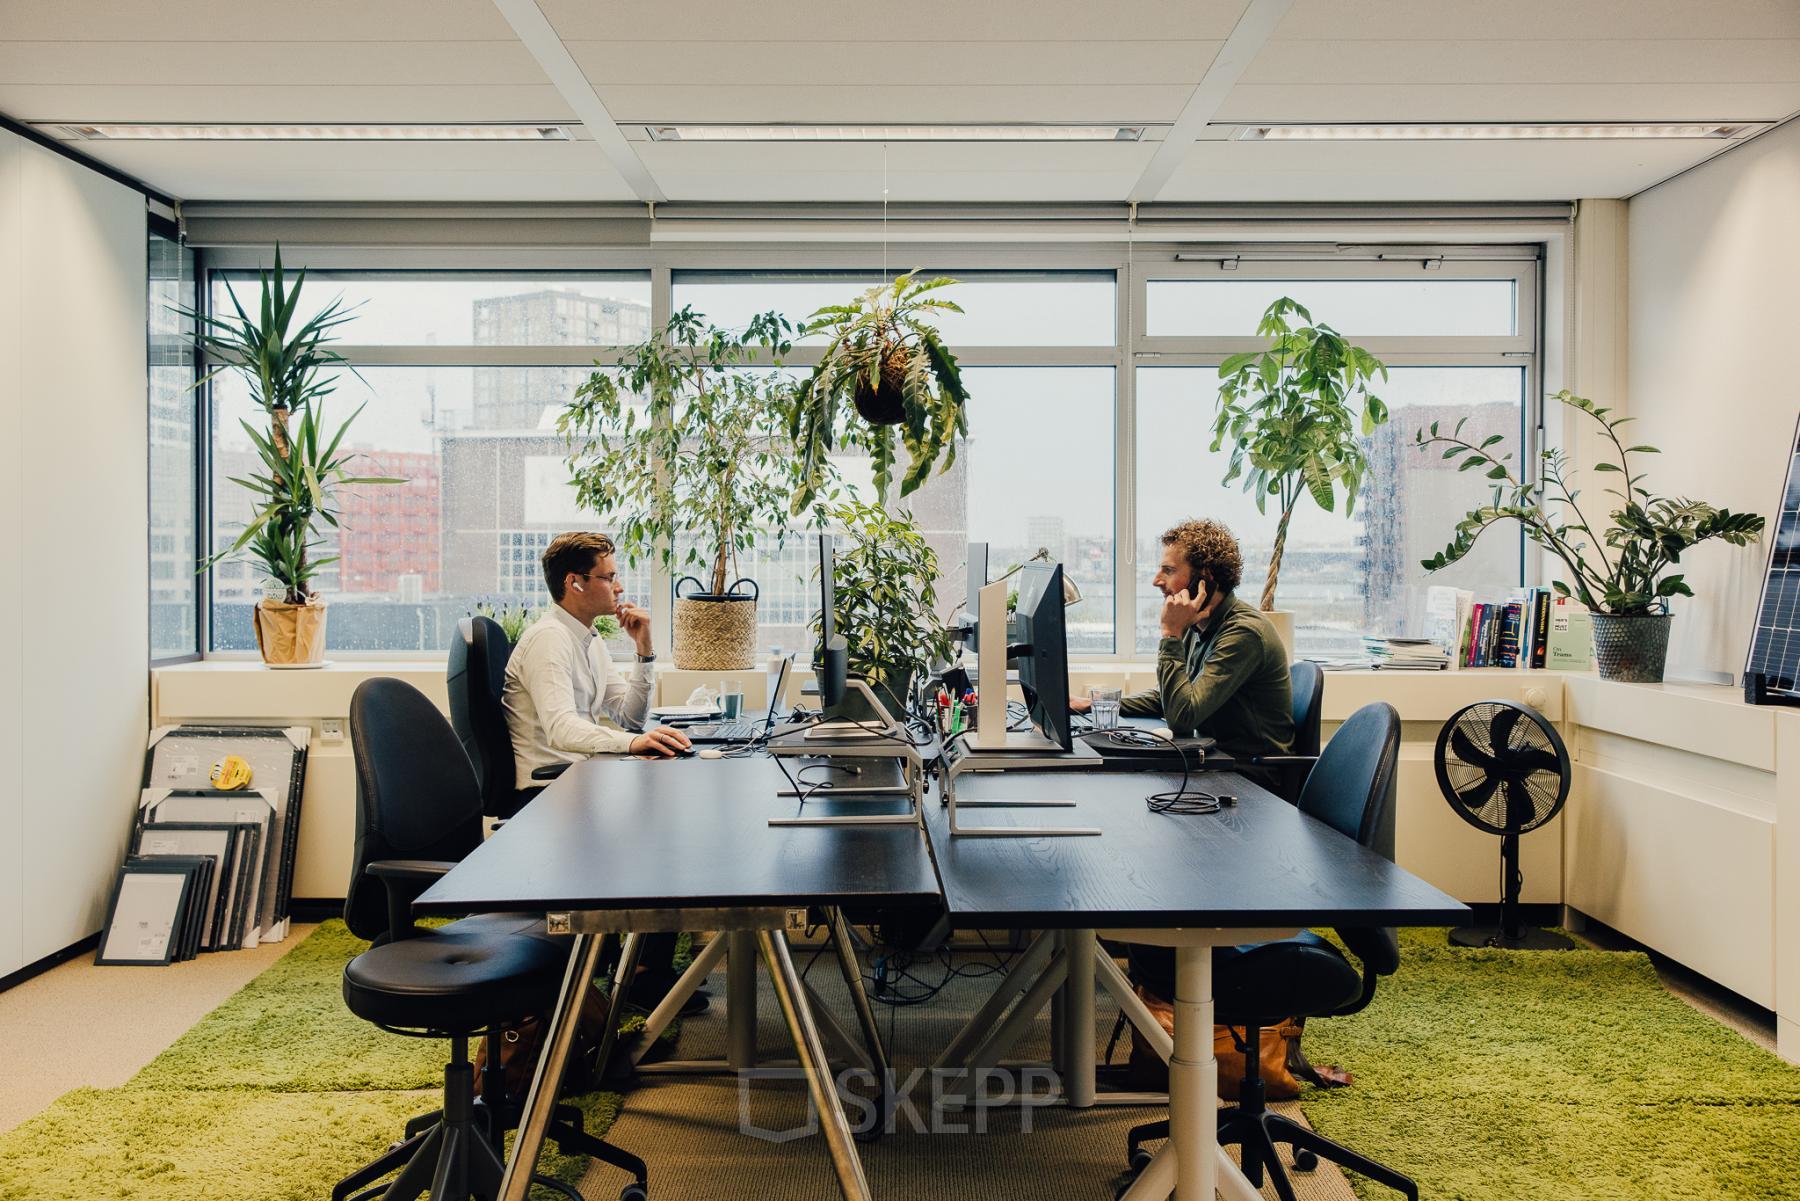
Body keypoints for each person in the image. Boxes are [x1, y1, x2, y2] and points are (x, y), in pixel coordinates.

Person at [503, 530, 699, 1016]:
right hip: (548, 791)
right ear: (575, 582)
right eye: (609, 577)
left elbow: (628, 717)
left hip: (580, 780)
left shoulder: (587, 638)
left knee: (674, 815)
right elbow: (562, 728)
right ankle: (641, 976)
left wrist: (644, 650)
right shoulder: (549, 640)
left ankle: (643, 970)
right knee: (667, 833)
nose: (619, 587)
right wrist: (632, 744)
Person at [1074, 517, 1293, 763]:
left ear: (1204, 577)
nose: (1156, 580)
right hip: (1214, 759)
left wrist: (1171, 634)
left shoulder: (1244, 632)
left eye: (1168, 570)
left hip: (1249, 774)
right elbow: (1167, 699)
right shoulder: (1199, 622)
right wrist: (1091, 704)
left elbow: (1182, 717)